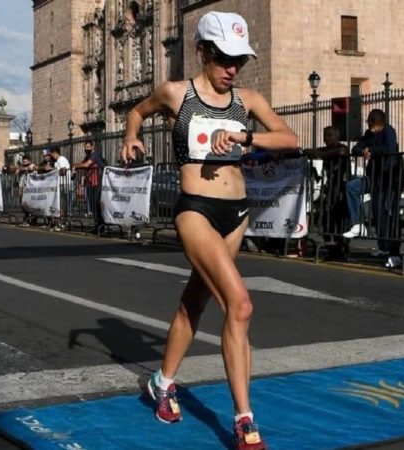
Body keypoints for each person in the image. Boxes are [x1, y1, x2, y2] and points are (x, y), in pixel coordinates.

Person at [121, 11, 297, 450]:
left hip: (235, 214)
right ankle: (244, 420)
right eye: (223, 59)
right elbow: (136, 112)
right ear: (203, 52)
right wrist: (129, 136)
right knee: (239, 305)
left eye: (238, 60)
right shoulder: (176, 94)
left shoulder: (247, 100)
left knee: (193, 302)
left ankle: (163, 382)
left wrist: (244, 139)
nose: (231, 69)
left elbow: (289, 137)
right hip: (195, 209)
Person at [343, 109, 404, 268]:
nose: (370, 126)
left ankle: (393, 251)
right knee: (374, 209)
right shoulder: (368, 134)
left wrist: (371, 151)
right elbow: (355, 148)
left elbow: (390, 149)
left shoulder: (389, 131)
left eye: (372, 123)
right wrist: (363, 151)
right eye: (369, 122)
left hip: (390, 178)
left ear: (380, 122)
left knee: (389, 213)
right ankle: (363, 229)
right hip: (375, 178)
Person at [305, 126, 350, 260]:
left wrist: (318, 154)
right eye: (325, 135)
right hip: (328, 190)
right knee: (325, 220)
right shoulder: (325, 150)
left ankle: (342, 250)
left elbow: (342, 152)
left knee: (340, 223)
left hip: (340, 190)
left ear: (337, 136)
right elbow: (309, 151)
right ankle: (332, 250)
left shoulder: (342, 148)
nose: (326, 138)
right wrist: (313, 152)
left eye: (329, 135)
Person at [72, 139, 106, 231]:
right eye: (85, 147)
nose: (86, 149)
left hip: (98, 183)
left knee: (97, 204)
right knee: (93, 206)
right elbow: (83, 164)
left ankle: (101, 225)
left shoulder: (95, 155)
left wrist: (75, 166)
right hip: (90, 183)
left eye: (88, 147)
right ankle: (97, 225)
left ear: (92, 146)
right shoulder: (88, 156)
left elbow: (87, 165)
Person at [50, 147, 72, 229]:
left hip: (63, 183)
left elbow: (63, 170)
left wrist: (52, 170)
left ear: (55, 152)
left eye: (52, 154)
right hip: (59, 184)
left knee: (62, 204)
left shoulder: (61, 159)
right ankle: (59, 221)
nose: (52, 156)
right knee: (59, 204)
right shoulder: (57, 161)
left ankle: (62, 222)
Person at [17, 154, 37, 227]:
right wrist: (21, 169)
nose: (25, 163)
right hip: (22, 187)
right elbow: (17, 171)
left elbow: (34, 168)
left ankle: (30, 219)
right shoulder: (22, 167)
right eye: (23, 162)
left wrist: (26, 168)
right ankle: (28, 218)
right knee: (23, 204)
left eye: (26, 162)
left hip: (30, 188)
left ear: (29, 161)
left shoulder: (32, 166)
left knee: (28, 204)